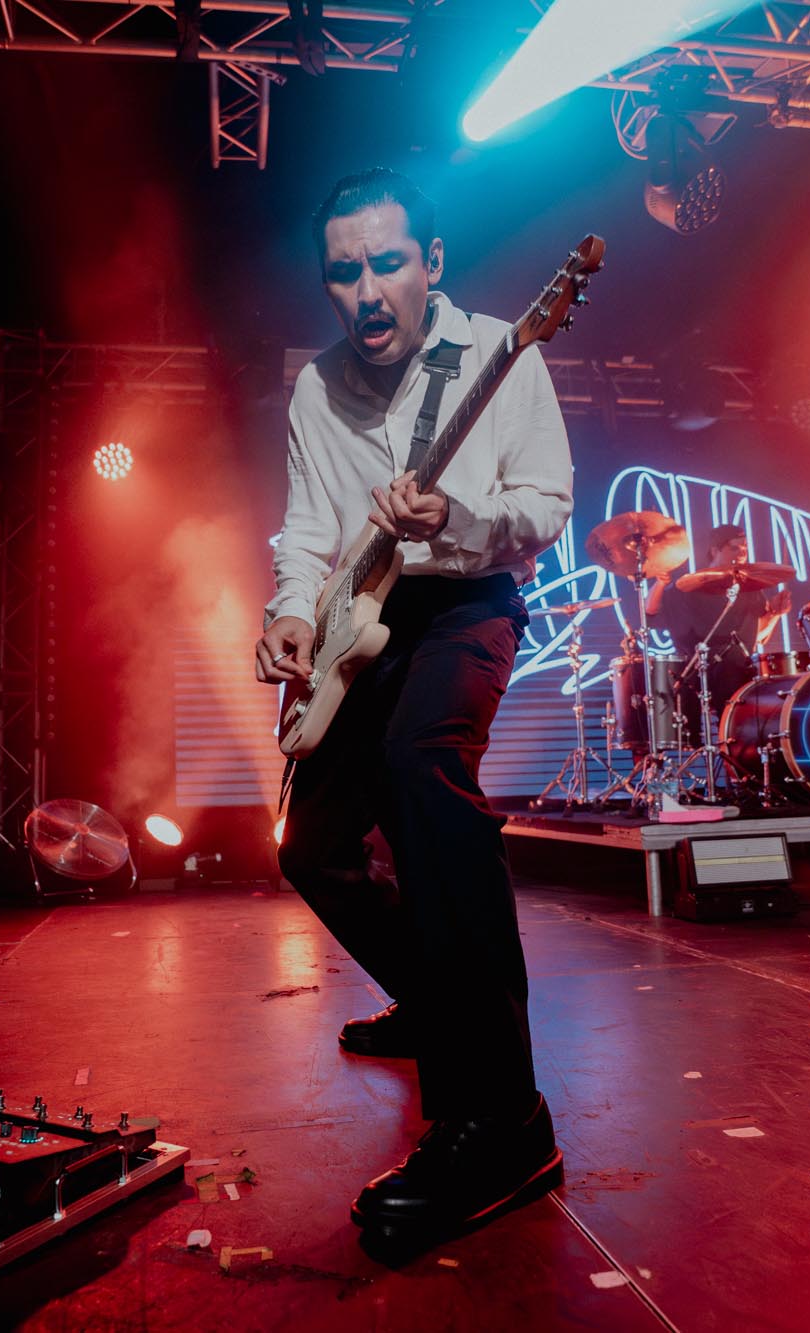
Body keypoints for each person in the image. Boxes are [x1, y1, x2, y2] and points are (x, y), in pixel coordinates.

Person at [253, 168, 574, 1237]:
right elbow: (308, 527)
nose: (365, 291)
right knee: (311, 848)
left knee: (420, 770)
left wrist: (456, 520)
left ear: (430, 263)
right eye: (342, 272)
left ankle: (501, 1116)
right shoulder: (316, 388)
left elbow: (546, 507)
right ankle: (439, 1000)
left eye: (386, 263)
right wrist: (292, 612)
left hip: (468, 601)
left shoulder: (503, 352)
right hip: (363, 619)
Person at [644, 525, 791, 732]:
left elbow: (758, 636)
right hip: (699, 669)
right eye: (734, 548)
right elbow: (650, 612)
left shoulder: (749, 587)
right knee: (720, 675)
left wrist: (775, 614)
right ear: (715, 550)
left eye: (745, 548)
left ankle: (741, 741)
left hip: (740, 669)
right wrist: (659, 584)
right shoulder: (691, 587)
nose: (742, 553)